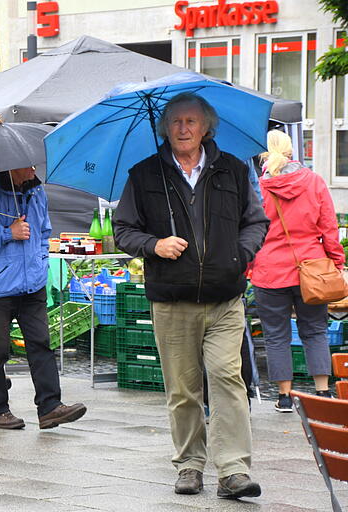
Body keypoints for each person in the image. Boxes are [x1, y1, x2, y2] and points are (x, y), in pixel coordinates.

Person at [113, 92, 269, 499]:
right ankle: (189, 465)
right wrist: (154, 245)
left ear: (206, 127)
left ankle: (233, 469)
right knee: (182, 389)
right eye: (176, 122)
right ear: (166, 127)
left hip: (224, 298)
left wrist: (241, 256)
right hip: (172, 300)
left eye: (191, 122)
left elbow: (255, 221)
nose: (183, 129)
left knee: (227, 379)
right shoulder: (145, 175)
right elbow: (123, 229)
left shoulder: (233, 171)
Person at [0, 168, 87, 429]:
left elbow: (43, 231)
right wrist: (9, 232)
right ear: (10, 166)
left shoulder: (37, 190)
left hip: (33, 284)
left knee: (41, 344)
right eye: (25, 166)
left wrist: (41, 262)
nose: (32, 170)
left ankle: (50, 407)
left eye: (32, 164)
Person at [250, 130, 343, 410]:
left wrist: (248, 267)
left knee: (276, 335)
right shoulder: (314, 182)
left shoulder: (258, 188)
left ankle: (284, 397)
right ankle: (324, 392)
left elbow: (249, 231)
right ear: (293, 152)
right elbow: (329, 227)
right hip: (311, 269)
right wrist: (336, 263)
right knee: (315, 331)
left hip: (269, 271)